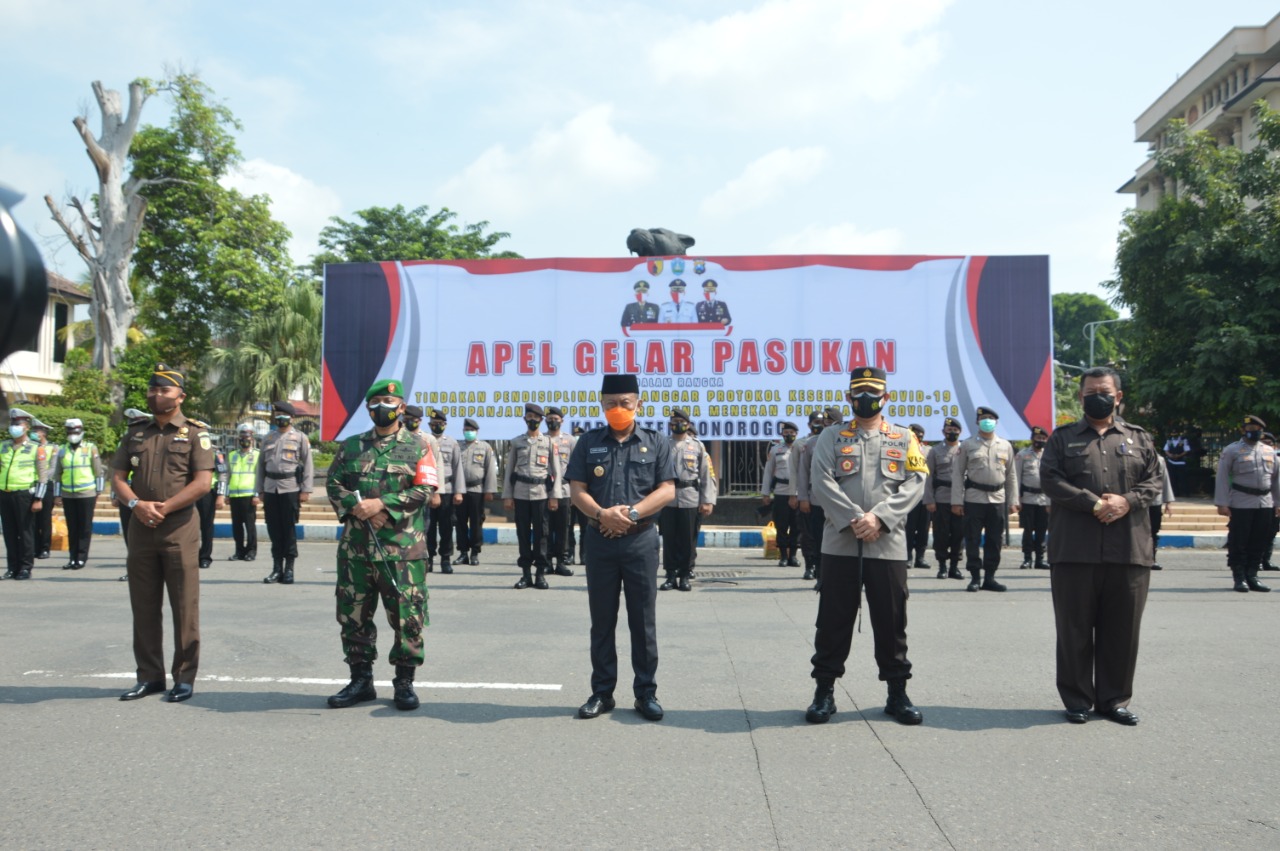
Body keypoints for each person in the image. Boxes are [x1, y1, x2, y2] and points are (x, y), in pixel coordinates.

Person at [804, 366, 928, 726]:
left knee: (891, 621)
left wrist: (880, 518)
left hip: (887, 544)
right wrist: (856, 518)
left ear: (886, 397)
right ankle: (824, 691)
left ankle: (897, 692)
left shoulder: (904, 438)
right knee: (832, 620)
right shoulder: (831, 435)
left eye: (874, 392)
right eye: (859, 392)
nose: (866, 398)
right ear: (848, 397)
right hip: (840, 543)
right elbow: (821, 480)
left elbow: (916, 481)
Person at [1041, 366, 1161, 725]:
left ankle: (1114, 700)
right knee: (1073, 628)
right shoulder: (1061, 439)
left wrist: (1127, 501)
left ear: (1118, 396)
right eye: (1090, 391)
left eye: (1104, 391)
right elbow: (1050, 479)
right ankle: (1077, 699)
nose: (1098, 396)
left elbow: (1154, 480)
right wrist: (1092, 502)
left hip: (1129, 550)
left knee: (1123, 631)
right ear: (1080, 397)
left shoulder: (1140, 438)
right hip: (1074, 551)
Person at [324, 378, 438, 711]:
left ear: (401, 407)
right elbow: (334, 485)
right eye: (375, 403)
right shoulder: (351, 445)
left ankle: (404, 683)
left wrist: (381, 505)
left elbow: (424, 490)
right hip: (356, 551)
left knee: (407, 615)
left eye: (389, 402)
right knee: (353, 615)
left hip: (403, 551)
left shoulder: (419, 446)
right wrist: (359, 509)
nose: (382, 408)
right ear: (368, 408)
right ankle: (360, 681)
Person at [567, 373, 674, 721]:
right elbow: (577, 490)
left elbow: (667, 490)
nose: (618, 409)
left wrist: (629, 513)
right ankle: (602, 692)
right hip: (599, 540)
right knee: (602, 620)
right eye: (611, 404)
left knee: (643, 621)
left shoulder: (656, 442)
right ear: (602, 404)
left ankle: (646, 692)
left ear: (638, 404)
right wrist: (601, 514)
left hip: (641, 540)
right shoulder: (588, 443)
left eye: (625, 403)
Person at [111, 364, 214, 703]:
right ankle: (149, 676)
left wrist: (163, 508)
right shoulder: (136, 432)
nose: (157, 395)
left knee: (185, 607)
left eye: (165, 391)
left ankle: (184, 677)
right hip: (139, 528)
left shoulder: (196, 434)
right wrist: (137, 505)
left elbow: (202, 483)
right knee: (143, 605)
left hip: (179, 528)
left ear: (180, 396)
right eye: (153, 390)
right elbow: (118, 478)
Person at [951, 406, 1018, 592]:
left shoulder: (1005, 445)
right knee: (972, 539)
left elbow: (1011, 475)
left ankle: (990, 578)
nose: (987, 421)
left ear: (996, 422)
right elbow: (957, 473)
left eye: (990, 418)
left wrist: (1013, 500)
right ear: (977, 422)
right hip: (974, 499)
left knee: (995, 540)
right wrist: (956, 501)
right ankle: (974, 577)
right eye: (983, 418)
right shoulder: (968, 444)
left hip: (998, 499)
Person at [1214, 415, 1279, 593]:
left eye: (1257, 429)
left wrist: (1278, 502)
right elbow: (1222, 478)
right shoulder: (1232, 450)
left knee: (1260, 540)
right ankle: (1239, 577)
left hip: (1264, 502)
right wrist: (1222, 502)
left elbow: (1276, 479)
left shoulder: (1269, 451)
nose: (1254, 432)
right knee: (1239, 541)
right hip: (1241, 500)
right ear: (1243, 430)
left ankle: (1253, 575)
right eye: (1250, 429)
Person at [503, 403, 562, 589]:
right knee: (522, 534)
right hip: (520, 493)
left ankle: (540, 575)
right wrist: (507, 495)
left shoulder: (549, 443)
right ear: (525, 419)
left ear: (541, 420)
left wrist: (554, 496)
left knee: (541, 535)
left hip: (541, 495)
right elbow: (509, 470)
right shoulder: (516, 442)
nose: (533, 420)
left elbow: (556, 472)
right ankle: (526, 575)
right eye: (529, 417)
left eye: (536, 418)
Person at [257, 401, 314, 585]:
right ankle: (276, 569)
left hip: (290, 487)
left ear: (291, 418)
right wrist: (260, 490)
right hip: (270, 488)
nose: (280, 418)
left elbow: (308, 465)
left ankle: (289, 569)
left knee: (289, 530)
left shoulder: (300, 438)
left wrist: (306, 489)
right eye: (277, 415)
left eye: (284, 415)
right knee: (274, 530)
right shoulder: (268, 438)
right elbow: (260, 467)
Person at [658, 407, 716, 592]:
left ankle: (684, 575)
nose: (678, 425)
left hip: (690, 497)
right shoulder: (663, 444)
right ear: (670, 425)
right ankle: (670, 576)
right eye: (674, 423)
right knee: (669, 539)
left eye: (681, 422)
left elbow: (707, 475)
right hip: (667, 498)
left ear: (688, 424)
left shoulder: (697, 446)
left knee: (687, 539)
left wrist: (707, 500)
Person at [0, 407, 49, 580]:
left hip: (25, 495)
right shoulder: (3, 446)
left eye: (18, 423)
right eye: (13, 423)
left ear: (26, 426)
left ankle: (25, 567)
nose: (15, 426)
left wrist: (38, 498)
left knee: (26, 532)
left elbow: (42, 476)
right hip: (5, 494)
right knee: (9, 533)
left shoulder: (36, 448)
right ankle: (12, 567)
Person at [51, 418, 104, 570]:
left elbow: (98, 471)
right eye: (70, 432)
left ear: (81, 432)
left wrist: (98, 492)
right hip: (68, 494)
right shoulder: (62, 450)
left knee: (84, 527)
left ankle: (81, 557)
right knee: (72, 527)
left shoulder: (90, 448)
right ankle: (72, 558)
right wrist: (57, 495)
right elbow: (58, 475)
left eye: (75, 432)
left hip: (86, 493)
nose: (72, 434)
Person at [424, 408, 465, 574]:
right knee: (428, 527)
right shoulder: (424, 440)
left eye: (440, 424)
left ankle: (446, 559)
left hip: (447, 490)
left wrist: (458, 491)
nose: (437, 426)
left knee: (446, 527)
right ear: (429, 425)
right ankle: (429, 559)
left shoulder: (452, 443)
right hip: (428, 490)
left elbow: (457, 468)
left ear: (445, 425)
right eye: (434, 424)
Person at [925, 417, 965, 579]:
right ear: (943, 432)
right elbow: (928, 476)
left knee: (958, 534)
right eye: (949, 430)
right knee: (941, 534)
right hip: (940, 498)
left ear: (960, 432)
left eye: (955, 431)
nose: (952, 433)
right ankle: (942, 566)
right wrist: (929, 500)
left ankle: (954, 567)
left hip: (960, 499)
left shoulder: (966, 449)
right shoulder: (935, 451)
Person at [790, 410, 828, 581]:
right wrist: (796, 495)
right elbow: (797, 471)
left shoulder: (834, 440)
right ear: (809, 424)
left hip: (826, 497)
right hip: (808, 494)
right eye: (816, 422)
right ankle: (810, 566)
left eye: (822, 422)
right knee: (808, 534)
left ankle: (823, 568)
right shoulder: (802, 444)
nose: (819, 425)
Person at [455, 418, 497, 566]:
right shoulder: (457, 446)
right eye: (466, 430)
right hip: (459, 490)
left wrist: (489, 490)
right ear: (463, 431)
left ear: (477, 432)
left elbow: (490, 470)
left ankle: (474, 552)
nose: (469, 433)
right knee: (459, 522)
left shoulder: (485, 447)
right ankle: (463, 552)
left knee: (476, 522)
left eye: (471, 430)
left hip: (477, 490)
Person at [762, 422, 800, 569]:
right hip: (780, 492)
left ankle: (794, 556)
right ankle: (783, 556)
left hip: (797, 492)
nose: (789, 435)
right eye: (786, 432)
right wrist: (766, 493)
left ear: (796, 433)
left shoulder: (801, 448)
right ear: (782, 434)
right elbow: (768, 472)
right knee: (781, 525)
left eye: (791, 432)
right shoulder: (775, 450)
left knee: (796, 526)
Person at [545, 407, 577, 576]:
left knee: (563, 527)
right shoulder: (541, 439)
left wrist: (574, 492)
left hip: (564, 490)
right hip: (544, 490)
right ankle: (547, 561)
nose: (552, 421)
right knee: (546, 527)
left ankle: (562, 561)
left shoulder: (570, 441)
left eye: (555, 418)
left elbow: (575, 468)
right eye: (549, 418)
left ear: (562, 421)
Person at [1016, 426, 1051, 569]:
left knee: (1042, 530)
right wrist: (1017, 498)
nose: (1040, 441)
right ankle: (1027, 559)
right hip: (1028, 498)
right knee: (1028, 530)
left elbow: (1051, 479)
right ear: (1032, 439)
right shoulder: (1022, 455)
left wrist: (1050, 502)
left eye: (1043, 439)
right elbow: (1016, 477)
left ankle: (1039, 559)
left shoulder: (1049, 455)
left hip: (1044, 499)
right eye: (1038, 438)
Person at [226, 423, 260, 562]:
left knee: (250, 526)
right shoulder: (232, 455)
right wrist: (227, 494)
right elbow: (228, 475)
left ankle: (251, 551)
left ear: (252, 438)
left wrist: (257, 494)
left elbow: (259, 476)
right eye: (242, 436)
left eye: (248, 436)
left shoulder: (258, 454)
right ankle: (239, 551)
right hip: (234, 495)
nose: (245, 438)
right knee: (236, 526)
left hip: (249, 495)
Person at [194, 437, 228, 570]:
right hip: (188, 491)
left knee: (206, 526)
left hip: (206, 492)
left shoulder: (215, 452)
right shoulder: (188, 448)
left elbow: (222, 474)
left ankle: (205, 557)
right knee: (187, 526)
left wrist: (220, 495)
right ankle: (190, 556)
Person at [904, 423, 931, 568]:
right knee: (909, 528)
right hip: (909, 495)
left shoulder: (929, 450)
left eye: (920, 433)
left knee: (924, 528)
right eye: (915, 433)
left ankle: (920, 557)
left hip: (925, 496)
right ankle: (908, 556)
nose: (917, 436)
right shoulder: (904, 449)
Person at [30, 419, 53, 560]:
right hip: (31, 485)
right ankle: (35, 547)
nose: (34, 433)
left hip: (46, 484)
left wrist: (41, 476)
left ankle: (45, 548)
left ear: (43, 433)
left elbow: (54, 468)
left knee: (44, 519)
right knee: (31, 519)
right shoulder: (30, 447)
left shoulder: (52, 448)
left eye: (36, 431)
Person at [1149, 455, 1173, 570]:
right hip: (1136, 503)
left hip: (1154, 501)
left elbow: (1165, 479)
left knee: (1153, 532)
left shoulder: (1159, 459)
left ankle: (1152, 559)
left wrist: (1168, 501)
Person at [1263, 432, 1280, 572]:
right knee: (1259, 532)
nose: (1267, 446)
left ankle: (1266, 561)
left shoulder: (1277, 459)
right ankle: (1256, 562)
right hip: (1261, 500)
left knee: (1272, 532)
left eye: (1269, 443)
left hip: (1276, 501)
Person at [1163, 431, 1191, 497]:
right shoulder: (1169, 441)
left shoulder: (1183, 441)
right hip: (1171, 462)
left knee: (1182, 478)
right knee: (1172, 478)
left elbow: (1186, 450)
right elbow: (1166, 450)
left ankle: (1185, 493)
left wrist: (1179, 455)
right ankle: (1175, 493)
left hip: (1181, 462)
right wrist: (1170, 455)